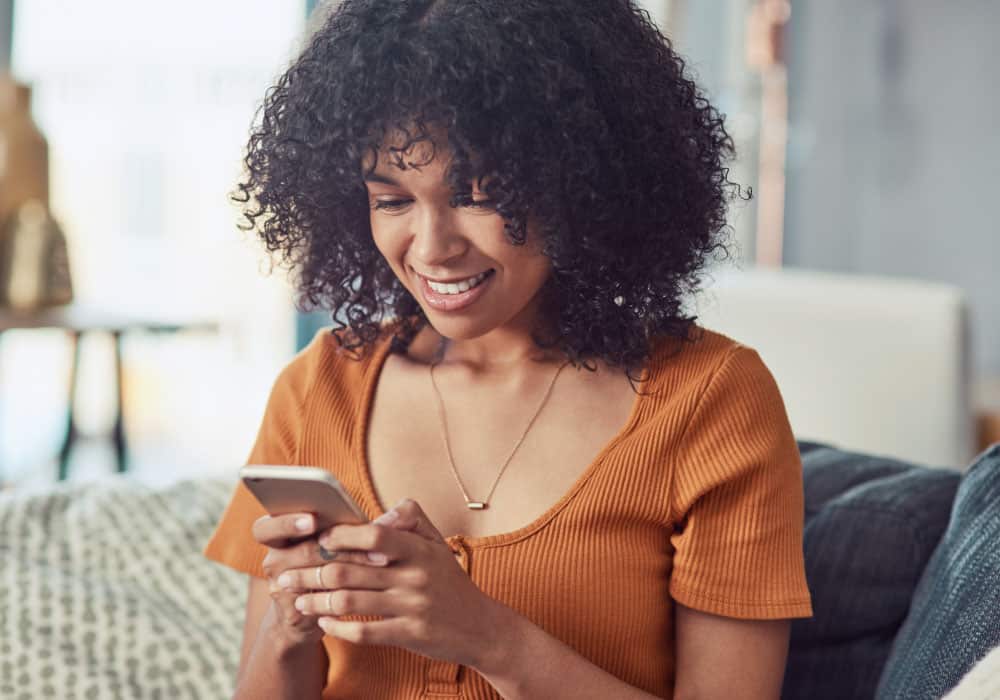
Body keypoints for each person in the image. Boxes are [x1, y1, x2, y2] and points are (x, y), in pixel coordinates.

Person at [202, 1, 813, 698]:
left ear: (582, 181)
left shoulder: (711, 401)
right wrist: (290, 622)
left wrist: (487, 636)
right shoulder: (319, 388)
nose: (432, 248)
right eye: (392, 200)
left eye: (477, 194)